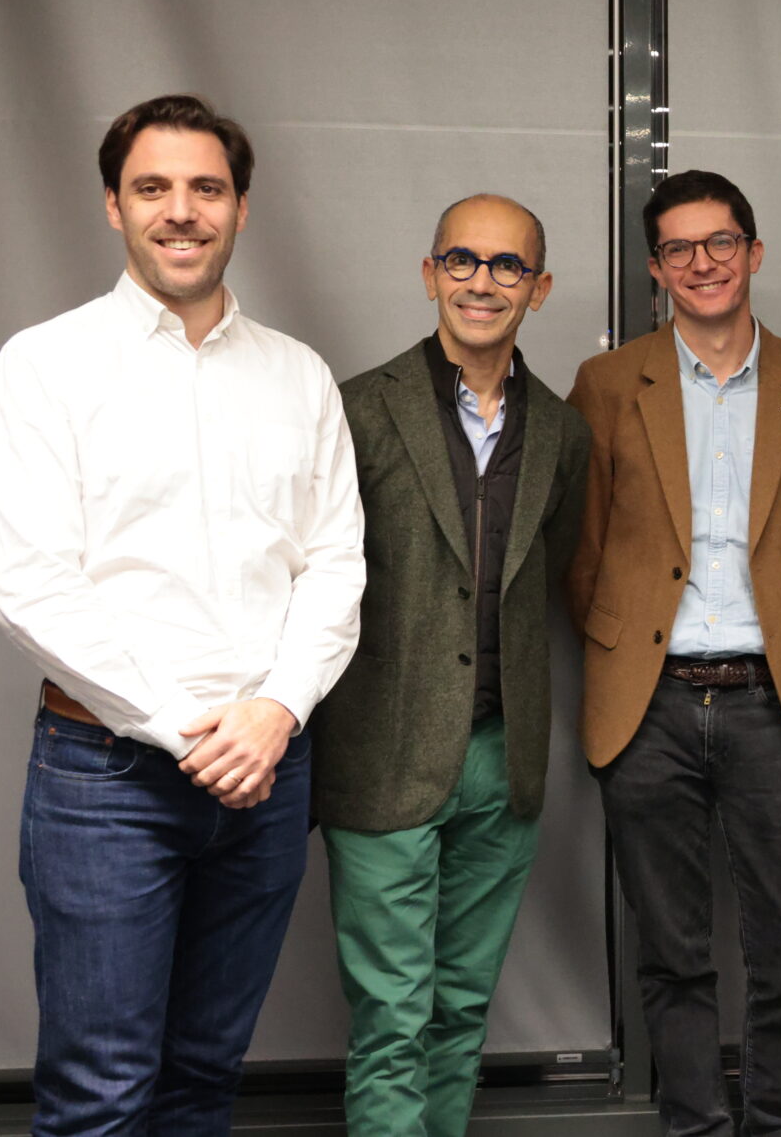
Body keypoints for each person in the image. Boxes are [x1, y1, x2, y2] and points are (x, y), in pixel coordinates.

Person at [0, 93, 365, 1134]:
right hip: (106, 781)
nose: (181, 210)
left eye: (207, 188)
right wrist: (190, 733)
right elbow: (29, 585)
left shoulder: (298, 375)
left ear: (242, 207)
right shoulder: (45, 365)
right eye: (153, 187)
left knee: (203, 1079)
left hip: (267, 775)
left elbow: (335, 564)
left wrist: (277, 711)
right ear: (114, 205)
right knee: (99, 1095)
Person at [568, 169, 781, 1136]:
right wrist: (631, 651)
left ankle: (780, 1125)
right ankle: (693, 1124)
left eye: (720, 241)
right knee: (672, 951)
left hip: (775, 699)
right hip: (647, 704)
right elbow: (584, 554)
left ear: (754, 252)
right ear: (656, 269)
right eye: (679, 248)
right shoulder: (609, 385)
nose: (703, 262)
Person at [310, 193, 589, 1134]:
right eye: (462, 260)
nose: (482, 281)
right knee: (393, 1019)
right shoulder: (356, 408)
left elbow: (550, 569)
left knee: (461, 1009)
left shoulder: (563, 431)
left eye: (508, 265)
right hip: (383, 753)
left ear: (538, 288)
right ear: (430, 273)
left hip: (503, 760)